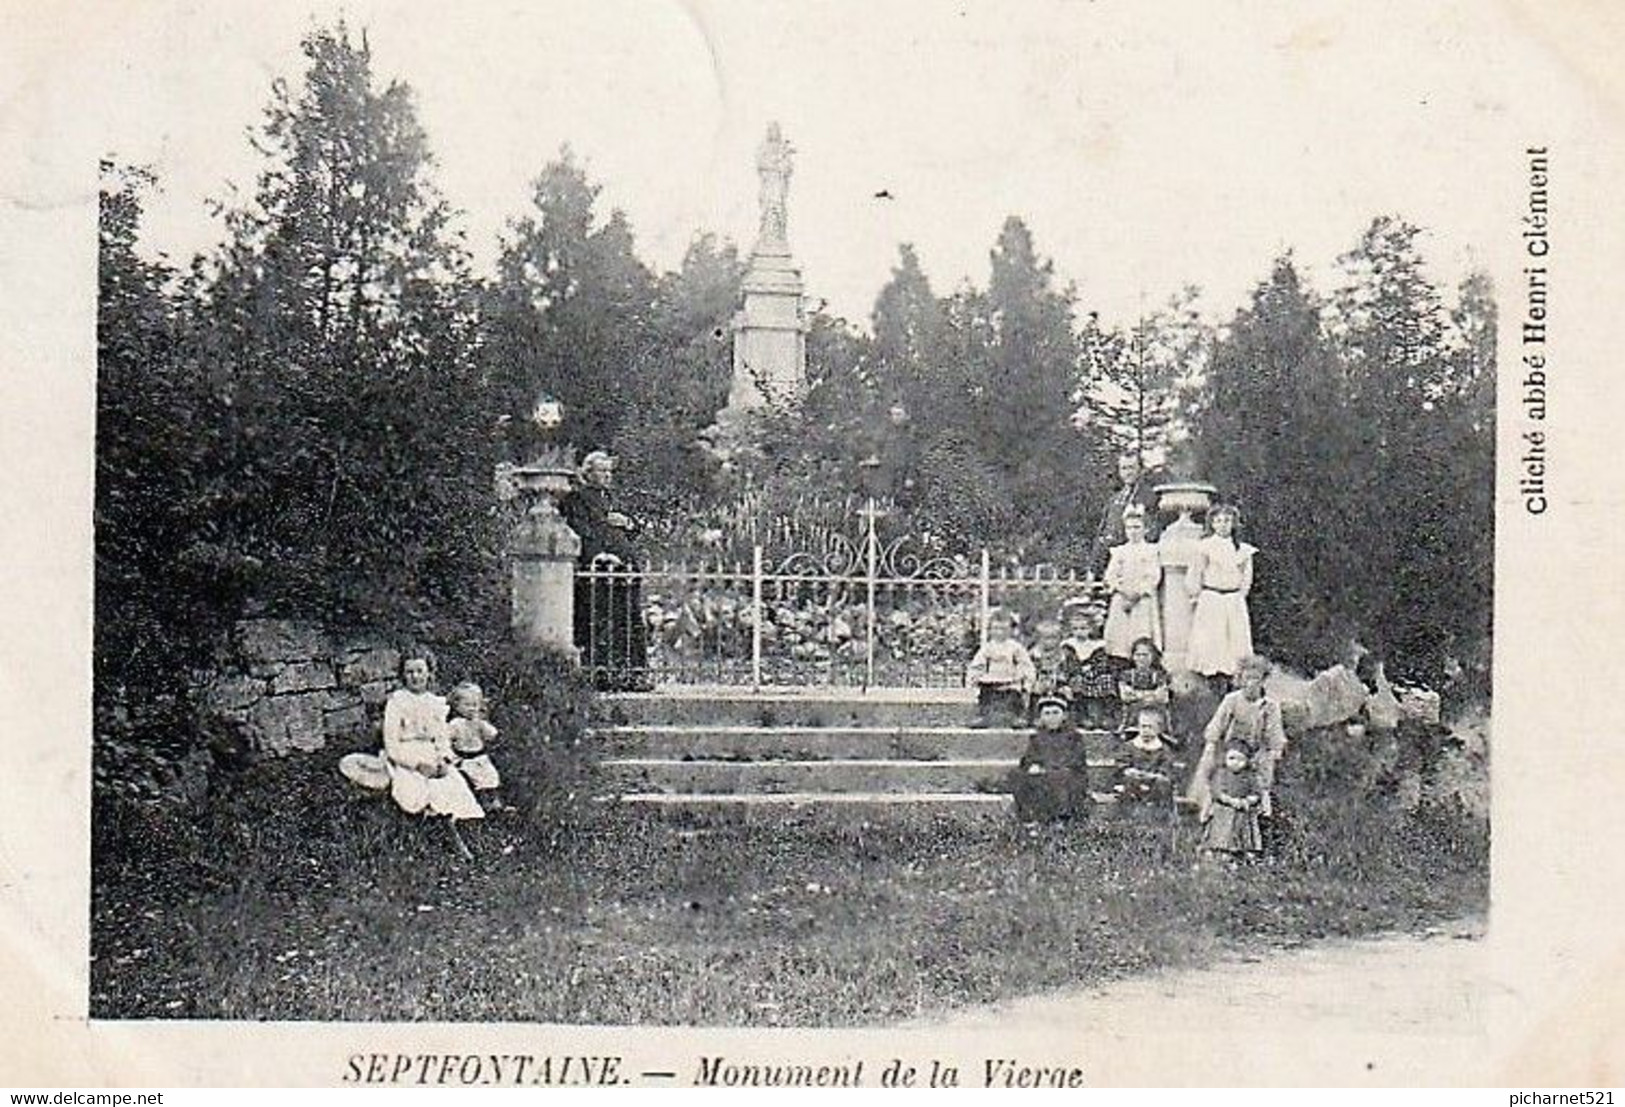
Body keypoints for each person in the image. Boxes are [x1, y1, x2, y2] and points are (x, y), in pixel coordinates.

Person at [561, 450, 650, 691]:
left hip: (625, 569)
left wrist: (628, 523)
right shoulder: (576, 499)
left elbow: (634, 528)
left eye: (610, 471)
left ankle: (633, 674)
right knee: (597, 619)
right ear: (588, 473)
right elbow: (580, 530)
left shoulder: (612, 498)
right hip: (597, 571)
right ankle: (600, 674)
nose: (608, 476)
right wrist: (600, 554)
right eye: (602, 471)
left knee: (629, 619)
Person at [1188, 654, 1287, 821]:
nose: (1251, 683)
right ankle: (1207, 804)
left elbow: (1274, 733)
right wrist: (1212, 742)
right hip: (1231, 747)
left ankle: (1263, 802)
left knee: (1264, 766)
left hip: (1255, 749)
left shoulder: (1270, 706)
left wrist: (1274, 749)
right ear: (1240, 679)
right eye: (1247, 678)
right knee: (1211, 762)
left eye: (1256, 679)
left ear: (1263, 681)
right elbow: (1217, 724)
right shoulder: (1232, 700)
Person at [1185, 503, 1257, 685]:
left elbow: (1246, 578)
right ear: (1212, 524)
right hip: (1211, 598)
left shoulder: (1242, 550)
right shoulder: (1205, 547)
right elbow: (1195, 573)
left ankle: (1234, 680)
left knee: (1235, 640)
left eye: (1227, 520)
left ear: (1233, 523)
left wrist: (1239, 596)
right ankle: (1212, 679)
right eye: (1218, 521)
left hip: (1233, 599)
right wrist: (1196, 595)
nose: (1223, 524)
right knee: (1212, 640)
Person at [1011, 693, 1091, 825]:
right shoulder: (1037, 738)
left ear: (1064, 716)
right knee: (1019, 776)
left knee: (1060, 777)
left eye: (1055, 713)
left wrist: (1051, 767)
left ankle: (1061, 817)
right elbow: (1029, 758)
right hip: (1045, 775)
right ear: (1041, 717)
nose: (1051, 718)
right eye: (1047, 714)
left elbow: (1076, 760)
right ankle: (1029, 817)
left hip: (1069, 776)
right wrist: (1033, 765)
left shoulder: (1074, 737)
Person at [1102, 505, 1163, 659]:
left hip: (1142, 599)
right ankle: (1120, 663)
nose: (1133, 531)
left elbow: (1153, 575)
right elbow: (1111, 575)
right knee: (1119, 637)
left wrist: (1137, 593)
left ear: (1145, 529)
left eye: (1137, 527)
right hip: (1122, 598)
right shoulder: (1120, 551)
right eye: (1129, 528)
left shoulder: (1151, 551)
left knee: (1140, 632)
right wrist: (1122, 591)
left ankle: (1142, 663)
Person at [1090, 453, 1160, 575]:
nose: (1128, 472)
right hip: (1108, 560)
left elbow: (1152, 532)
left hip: (1133, 560)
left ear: (1140, 470)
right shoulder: (1114, 499)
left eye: (1131, 467)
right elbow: (1103, 531)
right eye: (1124, 468)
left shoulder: (1150, 497)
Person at [966, 608, 1035, 726]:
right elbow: (978, 665)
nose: (999, 632)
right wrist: (975, 678)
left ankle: (1017, 717)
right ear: (990, 630)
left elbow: (1025, 665)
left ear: (1011, 630)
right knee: (986, 696)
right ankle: (984, 716)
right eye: (996, 628)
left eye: (1003, 629)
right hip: (991, 681)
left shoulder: (1015, 648)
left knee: (1014, 696)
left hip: (1010, 681)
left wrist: (1024, 680)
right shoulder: (987, 648)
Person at [1060, 597, 1119, 729]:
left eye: (1083, 628)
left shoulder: (1096, 646)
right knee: (1078, 682)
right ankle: (1083, 715)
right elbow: (1068, 663)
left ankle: (1105, 714)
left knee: (1106, 680)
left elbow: (1102, 663)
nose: (1079, 632)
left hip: (1094, 675)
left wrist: (1093, 670)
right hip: (1077, 675)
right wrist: (1078, 670)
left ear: (1090, 629)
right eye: (1076, 629)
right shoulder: (1069, 645)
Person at [1198, 745, 1264, 861]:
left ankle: (1243, 850)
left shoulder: (1249, 777)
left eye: (1241, 760)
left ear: (1247, 761)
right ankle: (1220, 849)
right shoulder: (1222, 774)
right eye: (1232, 758)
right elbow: (1217, 792)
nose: (1235, 763)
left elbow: (1256, 793)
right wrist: (1230, 800)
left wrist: (1247, 800)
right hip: (1224, 809)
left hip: (1243, 809)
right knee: (1222, 830)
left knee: (1244, 829)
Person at [447, 681, 503, 806]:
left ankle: (494, 801)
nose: (471, 708)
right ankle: (482, 803)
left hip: (480, 757)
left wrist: (483, 724)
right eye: (467, 705)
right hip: (465, 758)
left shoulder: (478, 722)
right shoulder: (456, 724)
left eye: (475, 705)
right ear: (457, 706)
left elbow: (492, 734)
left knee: (491, 776)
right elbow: (445, 740)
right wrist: (453, 758)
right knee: (474, 780)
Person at [1116, 705, 1177, 805]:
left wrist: (1152, 776)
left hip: (1154, 782)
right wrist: (1129, 771)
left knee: (1163, 783)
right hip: (1135, 780)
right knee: (1130, 781)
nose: (1146, 730)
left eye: (1150, 727)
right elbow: (1122, 765)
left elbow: (1166, 769)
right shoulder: (1130, 746)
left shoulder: (1163, 749)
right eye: (1143, 726)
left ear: (1159, 729)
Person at [1116, 636, 1172, 731]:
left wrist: (1137, 695)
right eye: (1138, 655)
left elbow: (1163, 697)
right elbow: (1125, 696)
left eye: (1145, 655)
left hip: (1155, 715)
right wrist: (1151, 695)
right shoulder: (1127, 675)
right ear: (1133, 656)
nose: (1141, 658)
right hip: (1132, 718)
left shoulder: (1159, 675)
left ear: (1153, 656)